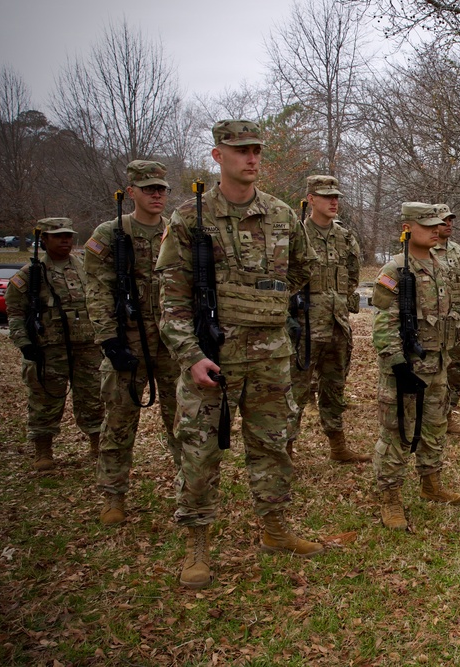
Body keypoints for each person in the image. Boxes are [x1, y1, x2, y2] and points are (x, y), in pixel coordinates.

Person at [156, 119, 323, 590]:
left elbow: (302, 268)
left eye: (256, 150)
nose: (251, 158)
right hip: (211, 356)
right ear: (218, 156)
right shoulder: (191, 217)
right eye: (240, 150)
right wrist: (190, 354)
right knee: (200, 450)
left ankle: (274, 528)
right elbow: (170, 298)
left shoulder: (281, 214)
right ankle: (197, 543)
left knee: (272, 443)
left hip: (270, 355)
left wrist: (267, 301)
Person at [84, 160, 182, 525]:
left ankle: (187, 491)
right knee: (120, 422)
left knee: (182, 423)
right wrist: (109, 338)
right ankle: (113, 495)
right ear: (133, 192)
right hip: (127, 341)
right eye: (149, 189)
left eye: (162, 189)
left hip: (172, 345)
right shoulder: (111, 234)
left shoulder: (176, 233)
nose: (157, 195)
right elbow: (97, 290)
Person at [372, 203, 460, 531]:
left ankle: (431, 484)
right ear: (407, 227)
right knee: (398, 432)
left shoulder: (439, 265)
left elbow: (448, 311)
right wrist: (397, 365)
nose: (435, 229)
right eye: (426, 224)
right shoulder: (395, 269)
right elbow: (384, 323)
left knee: (434, 426)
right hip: (407, 368)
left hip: (437, 363)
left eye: (437, 224)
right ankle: (390, 496)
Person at [7, 218, 104, 471]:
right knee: (45, 399)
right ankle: (43, 449)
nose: (66, 240)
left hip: (87, 345)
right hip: (50, 348)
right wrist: (24, 343)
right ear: (44, 240)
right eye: (59, 236)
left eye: (68, 236)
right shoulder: (32, 273)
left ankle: (97, 444)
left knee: (93, 396)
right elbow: (15, 311)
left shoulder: (85, 266)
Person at [287, 175, 368, 463]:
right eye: (326, 196)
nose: (333, 201)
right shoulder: (297, 234)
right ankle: (285, 450)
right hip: (305, 328)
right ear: (311, 199)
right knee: (296, 391)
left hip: (337, 325)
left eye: (336, 196)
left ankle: (338, 446)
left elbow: (352, 272)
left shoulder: (344, 236)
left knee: (335, 388)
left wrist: (340, 302)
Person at [431, 203, 460, 435]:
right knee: (432, 369)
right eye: (443, 221)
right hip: (432, 324)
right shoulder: (424, 250)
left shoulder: (459, 252)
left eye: (450, 220)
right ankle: (431, 416)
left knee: (456, 368)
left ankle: (449, 414)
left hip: (457, 323)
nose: (448, 225)